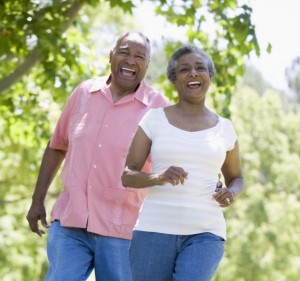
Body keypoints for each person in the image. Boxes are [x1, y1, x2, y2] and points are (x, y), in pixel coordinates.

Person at [26, 31, 170, 281]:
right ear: (111, 55)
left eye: (140, 56)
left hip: (123, 231)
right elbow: (57, 146)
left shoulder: (159, 108)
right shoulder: (83, 93)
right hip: (71, 221)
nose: (131, 61)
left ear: (147, 64)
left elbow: (174, 162)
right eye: (124, 52)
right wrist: (37, 199)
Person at [122, 44, 244, 281]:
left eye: (200, 68)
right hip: (153, 231)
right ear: (174, 80)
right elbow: (128, 174)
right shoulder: (154, 120)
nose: (194, 73)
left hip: (205, 232)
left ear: (209, 76)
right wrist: (158, 177)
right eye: (185, 69)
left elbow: (236, 178)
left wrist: (232, 192)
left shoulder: (225, 128)